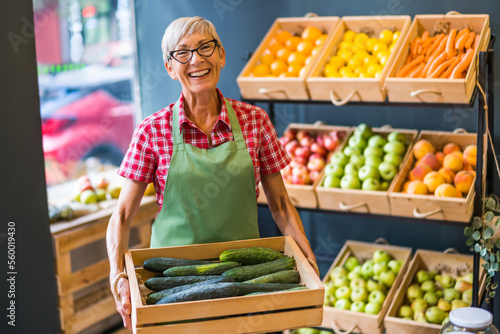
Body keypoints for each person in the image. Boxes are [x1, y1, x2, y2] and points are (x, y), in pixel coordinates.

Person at [106, 16, 318, 329]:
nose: (197, 59)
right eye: (183, 52)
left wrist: (308, 260)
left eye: (205, 47)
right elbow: (122, 216)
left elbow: (282, 206)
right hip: (171, 284)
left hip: (244, 280)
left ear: (221, 55)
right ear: (169, 67)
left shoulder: (255, 121)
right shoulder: (152, 131)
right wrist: (118, 277)